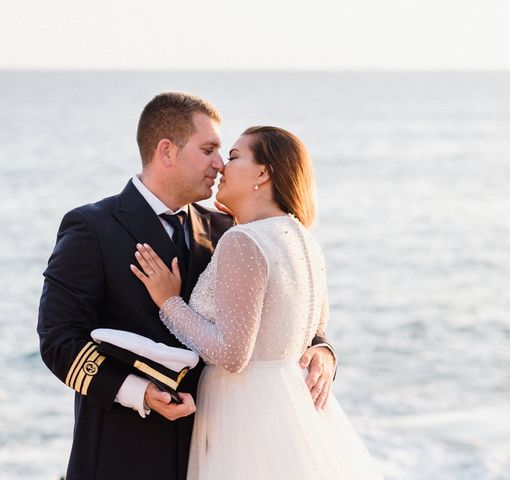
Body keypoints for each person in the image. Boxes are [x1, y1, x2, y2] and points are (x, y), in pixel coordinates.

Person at [37, 93, 336, 480]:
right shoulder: (92, 227)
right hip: (124, 450)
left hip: (219, 445)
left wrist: (322, 350)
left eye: (225, 153)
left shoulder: (227, 229)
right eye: (209, 149)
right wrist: (138, 392)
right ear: (167, 151)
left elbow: (277, 310)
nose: (219, 163)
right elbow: (58, 340)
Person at [131, 126, 383, 479]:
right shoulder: (303, 239)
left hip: (244, 412)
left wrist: (169, 301)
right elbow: (316, 328)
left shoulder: (243, 241)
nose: (221, 167)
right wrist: (324, 350)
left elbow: (232, 354)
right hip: (289, 405)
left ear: (262, 173)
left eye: (234, 157)